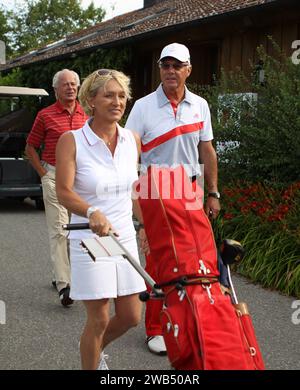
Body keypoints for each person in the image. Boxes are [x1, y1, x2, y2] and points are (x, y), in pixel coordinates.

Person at [125, 43, 221, 355]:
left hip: (189, 191)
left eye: (177, 65)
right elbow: (130, 155)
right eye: (165, 65)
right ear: (160, 69)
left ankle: (189, 317)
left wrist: (213, 192)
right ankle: (156, 328)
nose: (170, 71)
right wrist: (137, 211)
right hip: (155, 192)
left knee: (194, 258)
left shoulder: (200, 105)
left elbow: (206, 150)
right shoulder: (142, 106)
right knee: (157, 260)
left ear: (188, 70)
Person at [55, 69, 146, 370]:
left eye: (121, 95)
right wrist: (91, 211)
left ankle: (91, 350)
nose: (117, 101)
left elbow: (134, 191)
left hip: (124, 238)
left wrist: (145, 226)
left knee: (132, 316)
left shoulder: (132, 139)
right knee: (99, 318)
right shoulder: (72, 140)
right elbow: (64, 192)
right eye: (109, 95)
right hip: (90, 239)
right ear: (91, 100)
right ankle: (91, 360)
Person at [25, 69, 88, 307]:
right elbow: (30, 148)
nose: (70, 88)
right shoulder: (45, 115)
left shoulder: (88, 114)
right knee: (60, 230)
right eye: (65, 85)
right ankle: (65, 285)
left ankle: (62, 274)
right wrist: (43, 174)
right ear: (56, 90)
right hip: (53, 176)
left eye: (74, 84)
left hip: (80, 180)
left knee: (80, 230)